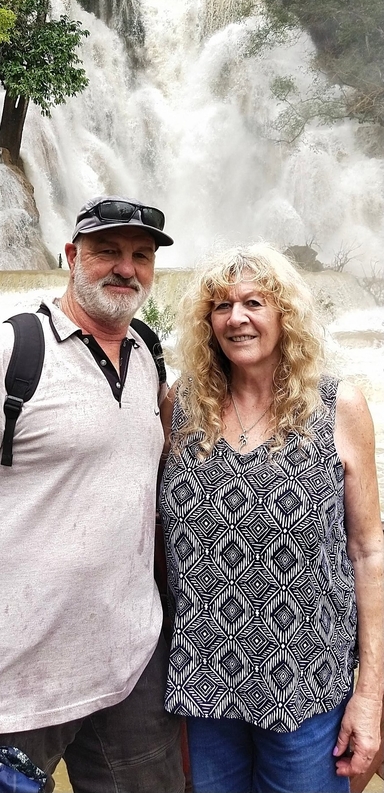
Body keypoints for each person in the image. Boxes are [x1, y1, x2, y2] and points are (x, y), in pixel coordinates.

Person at [0, 195, 185, 793]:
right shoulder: (6, 355)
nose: (125, 268)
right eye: (107, 251)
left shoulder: (150, 357)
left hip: (130, 673)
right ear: (70, 255)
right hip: (5, 689)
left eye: (141, 255)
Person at [159, 243, 384, 793]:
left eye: (254, 302)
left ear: (286, 314)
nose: (236, 318)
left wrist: (372, 693)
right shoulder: (179, 406)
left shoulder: (339, 406)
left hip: (309, 688)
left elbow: (368, 550)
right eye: (221, 306)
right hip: (205, 686)